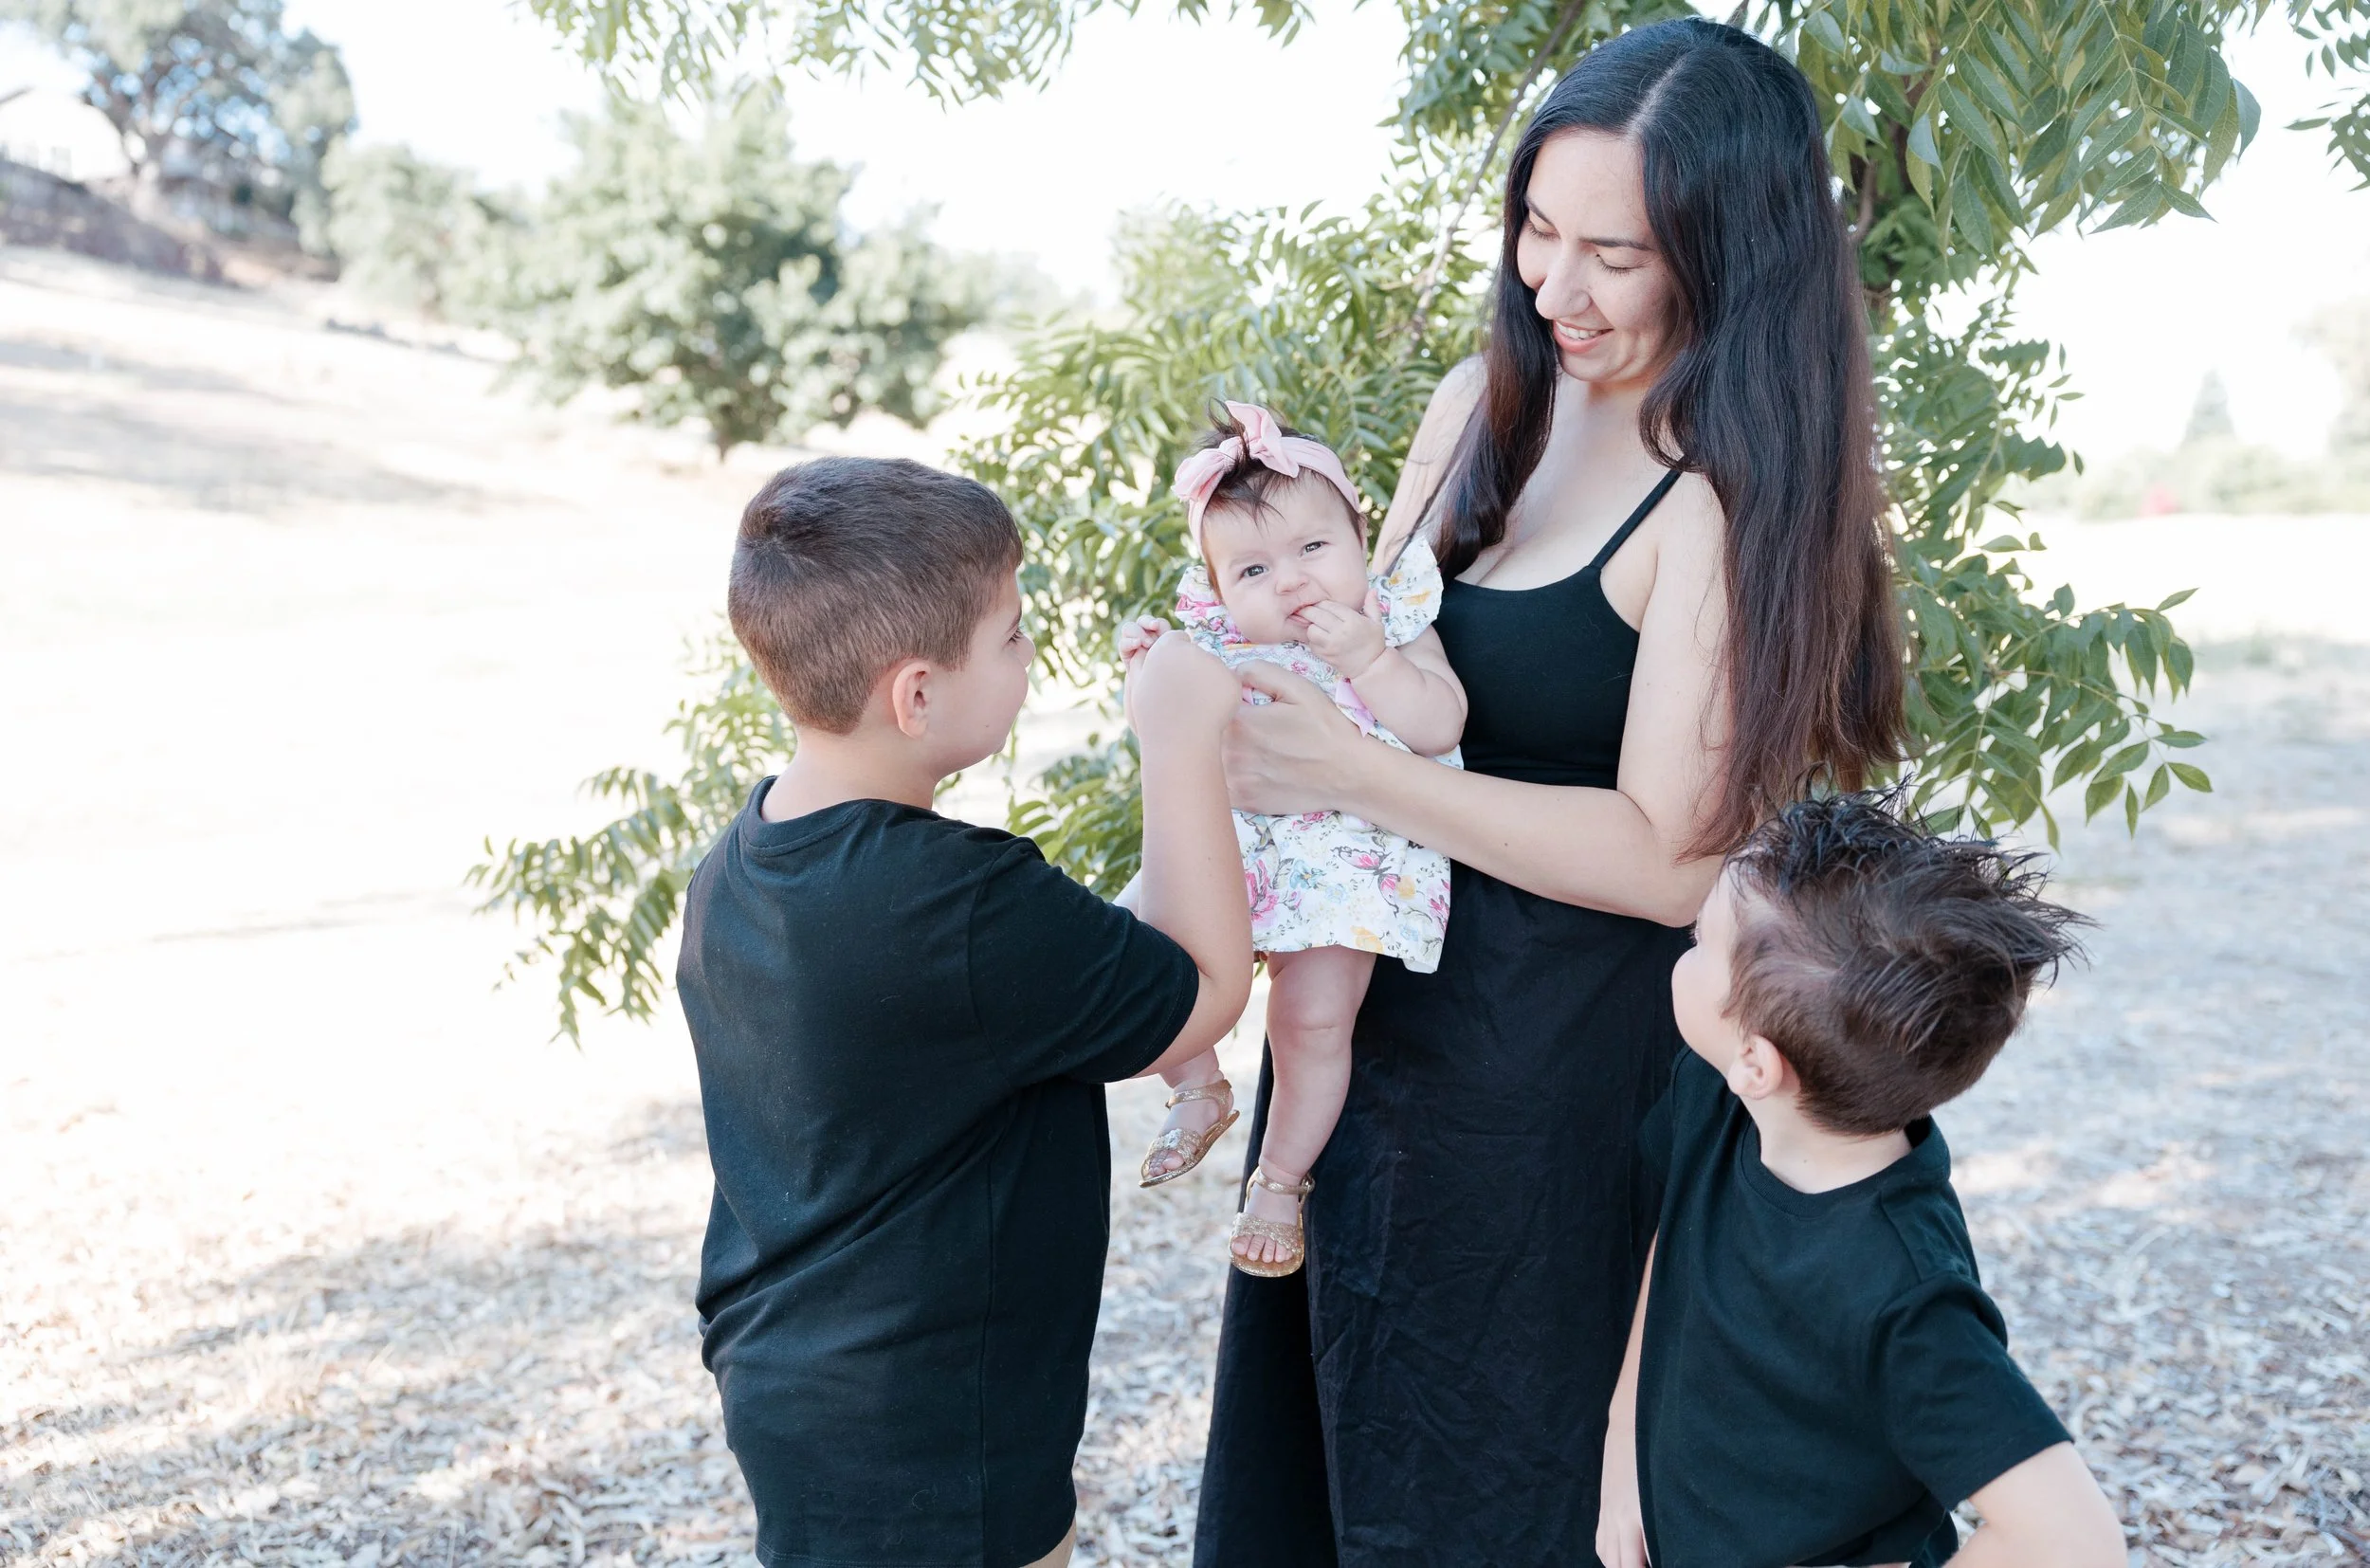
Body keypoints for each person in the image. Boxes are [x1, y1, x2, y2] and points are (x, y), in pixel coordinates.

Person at [1194, 17, 1907, 1566]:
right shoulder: (1479, 403)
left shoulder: (1716, 494)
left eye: (1615, 255)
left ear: (1728, 257)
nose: (1554, 287)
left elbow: (1671, 858)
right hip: (1376, 1027)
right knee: (1332, 1471)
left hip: (1554, 1091)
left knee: (1490, 1494)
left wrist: (1360, 773)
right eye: (1537, 228)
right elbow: (1363, 647)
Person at [675, 456, 1252, 1568]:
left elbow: (1094, 967)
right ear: (917, 694)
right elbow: (1204, 991)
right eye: (1012, 635)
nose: (1029, 656)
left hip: (797, 1387)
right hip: (938, 1425)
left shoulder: (742, 862)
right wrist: (1180, 741)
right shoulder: (962, 900)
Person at [1596, 791, 2124, 1568]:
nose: (1687, 939)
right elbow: (1678, 1239)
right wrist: (1623, 1444)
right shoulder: (1722, 1098)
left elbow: (2075, 1540)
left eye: (1701, 939)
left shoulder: (1904, 1295)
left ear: (1759, 1062)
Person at [1121, 401, 1467, 1277]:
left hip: (1348, 856)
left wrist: (1370, 662)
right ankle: (1198, 1083)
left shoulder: (1393, 618)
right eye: (1253, 569)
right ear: (1217, 589)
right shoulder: (1217, 640)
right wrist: (1151, 676)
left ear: (1360, 538)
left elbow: (1439, 724)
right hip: (1235, 845)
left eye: (1313, 548)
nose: (1292, 582)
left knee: (1309, 1018)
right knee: (1133, 951)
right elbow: (1174, 742)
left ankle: (1279, 1181)